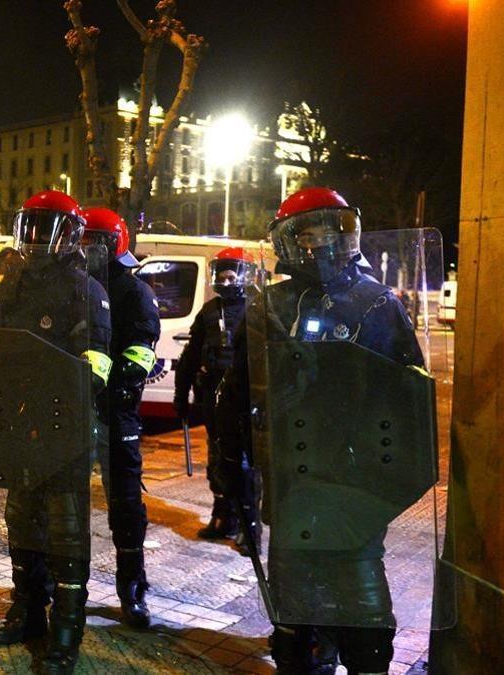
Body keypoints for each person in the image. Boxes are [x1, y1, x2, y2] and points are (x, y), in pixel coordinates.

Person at [216, 187, 428, 674]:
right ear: (289, 242)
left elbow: (409, 396)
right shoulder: (269, 305)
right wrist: (232, 461)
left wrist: (389, 472)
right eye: (307, 234)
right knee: (296, 625)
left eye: (329, 232)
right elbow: (238, 390)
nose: (320, 244)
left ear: (346, 233)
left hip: (355, 485)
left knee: (365, 618)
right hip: (292, 480)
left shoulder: (377, 303)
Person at [0, 191, 112, 674]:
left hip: (65, 431)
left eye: (47, 228)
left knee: (65, 532)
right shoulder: (11, 284)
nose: (36, 237)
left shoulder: (85, 290)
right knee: (21, 522)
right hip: (20, 425)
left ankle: (66, 632)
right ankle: (26, 610)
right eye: (31, 226)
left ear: (71, 236)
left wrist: (64, 391)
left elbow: (95, 365)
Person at [80, 207, 160, 629]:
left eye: (100, 241)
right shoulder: (73, 286)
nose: (91, 248)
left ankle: (133, 589)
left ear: (117, 244)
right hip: (72, 410)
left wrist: (120, 384)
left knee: (126, 506)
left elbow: (141, 349)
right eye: (85, 239)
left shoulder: (135, 292)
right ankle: (69, 587)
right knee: (65, 505)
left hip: (115, 413)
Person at [173, 247, 257, 550]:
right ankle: (223, 516)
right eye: (220, 273)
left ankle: (250, 526)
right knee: (217, 458)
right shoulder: (209, 312)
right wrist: (180, 396)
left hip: (245, 399)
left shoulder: (256, 309)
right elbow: (191, 355)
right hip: (213, 396)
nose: (226, 279)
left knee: (245, 463)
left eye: (231, 273)